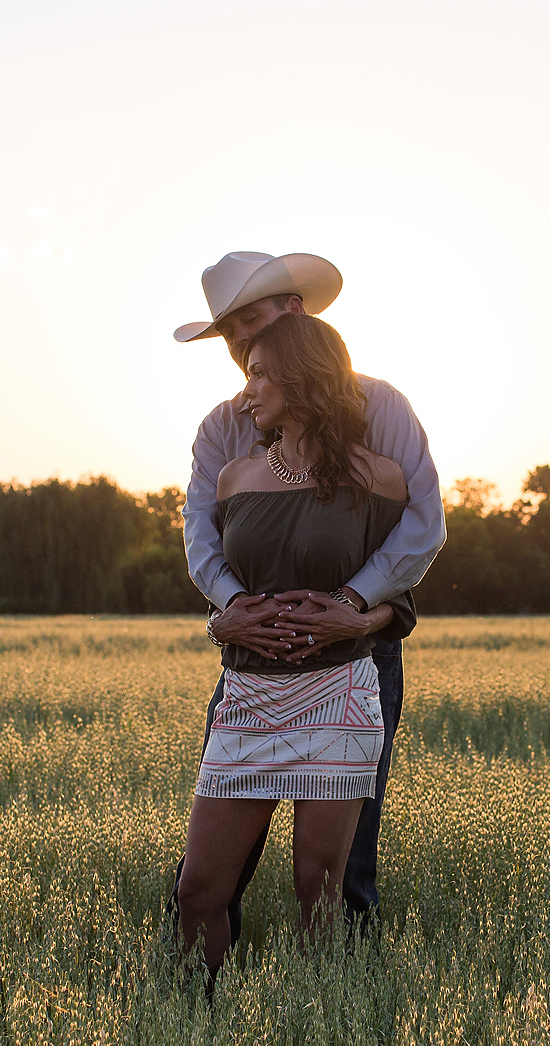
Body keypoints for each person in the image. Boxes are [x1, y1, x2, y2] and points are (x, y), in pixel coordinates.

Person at [173, 251, 444, 957]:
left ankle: (338, 1027)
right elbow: (200, 534)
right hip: (250, 658)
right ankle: (188, 1019)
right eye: (230, 333)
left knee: (337, 874)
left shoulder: (380, 409)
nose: (239, 347)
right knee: (204, 876)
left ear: (294, 313)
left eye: (252, 322)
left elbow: (421, 527)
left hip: (356, 658)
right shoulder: (223, 433)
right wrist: (230, 607)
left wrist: (359, 605)